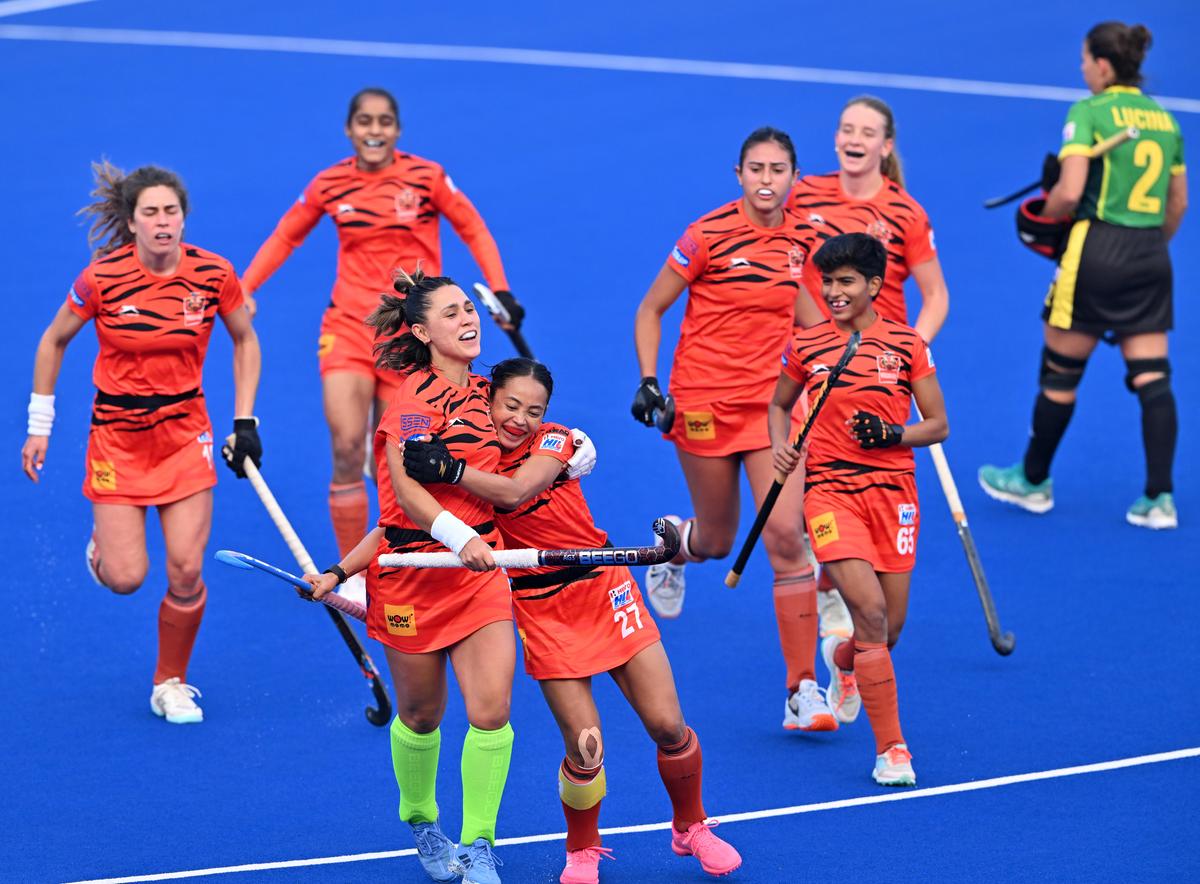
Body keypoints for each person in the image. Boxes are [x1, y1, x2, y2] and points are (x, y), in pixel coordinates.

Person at [402, 357, 742, 883]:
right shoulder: (470, 450)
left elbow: (516, 491)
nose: (520, 419)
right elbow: (409, 518)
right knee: (586, 747)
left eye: (533, 410)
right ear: (488, 400)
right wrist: (344, 572)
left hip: (604, 587)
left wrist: (451, 472)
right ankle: (582, 849)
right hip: (542, 609)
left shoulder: (555, 441)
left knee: (668, 725)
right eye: (510, 405)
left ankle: (691, 827)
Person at [240, 87, 523, 596]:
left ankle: (410, 546)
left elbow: (473, 228)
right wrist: (244, 288)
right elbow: (287, 234)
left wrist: (498, 287)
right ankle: (355, 579)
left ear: (397, 129)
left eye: (385, 121)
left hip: (415, 337)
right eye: (365, 121)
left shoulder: (427, 177)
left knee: (405, 458)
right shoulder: (329, 183)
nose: (375, 130)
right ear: (349, 130)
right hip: (348, 329)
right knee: (348, 444)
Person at [21, 161, 262, 724]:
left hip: (184, 439)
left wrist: (245, 422)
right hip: (117, 442)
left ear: (183, 218)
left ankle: (170, 681)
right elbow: (53, 341)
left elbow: (245, 340)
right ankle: (102, 549)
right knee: (126, 579)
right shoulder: (101, 279)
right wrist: (40, 423)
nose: (162, 222)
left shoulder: (213, 274)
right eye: (150, 212)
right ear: (131, 222)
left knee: (184, 570)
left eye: (171, 211)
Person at [305, 270, 513, 884]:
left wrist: (568, 448)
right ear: (422, 332)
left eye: (469, 308)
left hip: (479, 575)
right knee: (421, 716)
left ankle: (478, 844)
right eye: (450, 314)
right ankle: (423, 821)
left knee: (491, 709)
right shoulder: (411, 404)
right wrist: (344, 571)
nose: (468, 319)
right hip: (413, 574)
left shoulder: (490, 392)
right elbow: (404, 497)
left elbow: (519, 459)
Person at [631, 127, 838, 733]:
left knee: (784, 535)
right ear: (739, 174)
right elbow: (650, 308)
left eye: (778, 169)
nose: (767, 179)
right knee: (719, 540)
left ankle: (802, 689)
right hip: (702, 402)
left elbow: (813, 319)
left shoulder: (807, 240)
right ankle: (676, 547)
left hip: (773, 408)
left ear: (794, 176)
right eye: (756, 168)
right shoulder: (707, 234)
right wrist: (649, 380)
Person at [979, 22, 1186, 529]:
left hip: (1096, 251)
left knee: (1060, 370)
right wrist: (1149, 245)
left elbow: (1068, 196)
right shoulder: (1164, 120)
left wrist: (1046, 206)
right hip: (1149, 254)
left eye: (1084, 59)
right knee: (1153, 375)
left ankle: (1032, 481)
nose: (1080, 67)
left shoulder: (1089, 112)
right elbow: (1177, 203)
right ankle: (1160, 498)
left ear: (1103, 65)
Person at [770, 233, 948, 785]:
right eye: (827, 282)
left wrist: (895, 433)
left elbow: (938, 423)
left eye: (846, 282)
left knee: (887, 632)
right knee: (869, 612)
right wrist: (782, 445)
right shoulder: (807, 345)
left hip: (894, 496)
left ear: (874, 285)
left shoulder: (907, 344)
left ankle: (845, 662)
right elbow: (779, 405)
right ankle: (892, 749)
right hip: (829, 494)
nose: (834, 291)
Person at [790, 95, 951, 644]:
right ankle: (831, 567)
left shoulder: (905, 211)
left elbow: (935, 296)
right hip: (812, 359)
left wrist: (908, 354)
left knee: (870, 481)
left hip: (880, 373)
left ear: (886, 146)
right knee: (814, 480)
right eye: (845, 128)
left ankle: (845, 621)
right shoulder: (805, 193)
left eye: (867, 131)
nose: (853, 138)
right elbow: (783, 265)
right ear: (836, 138)